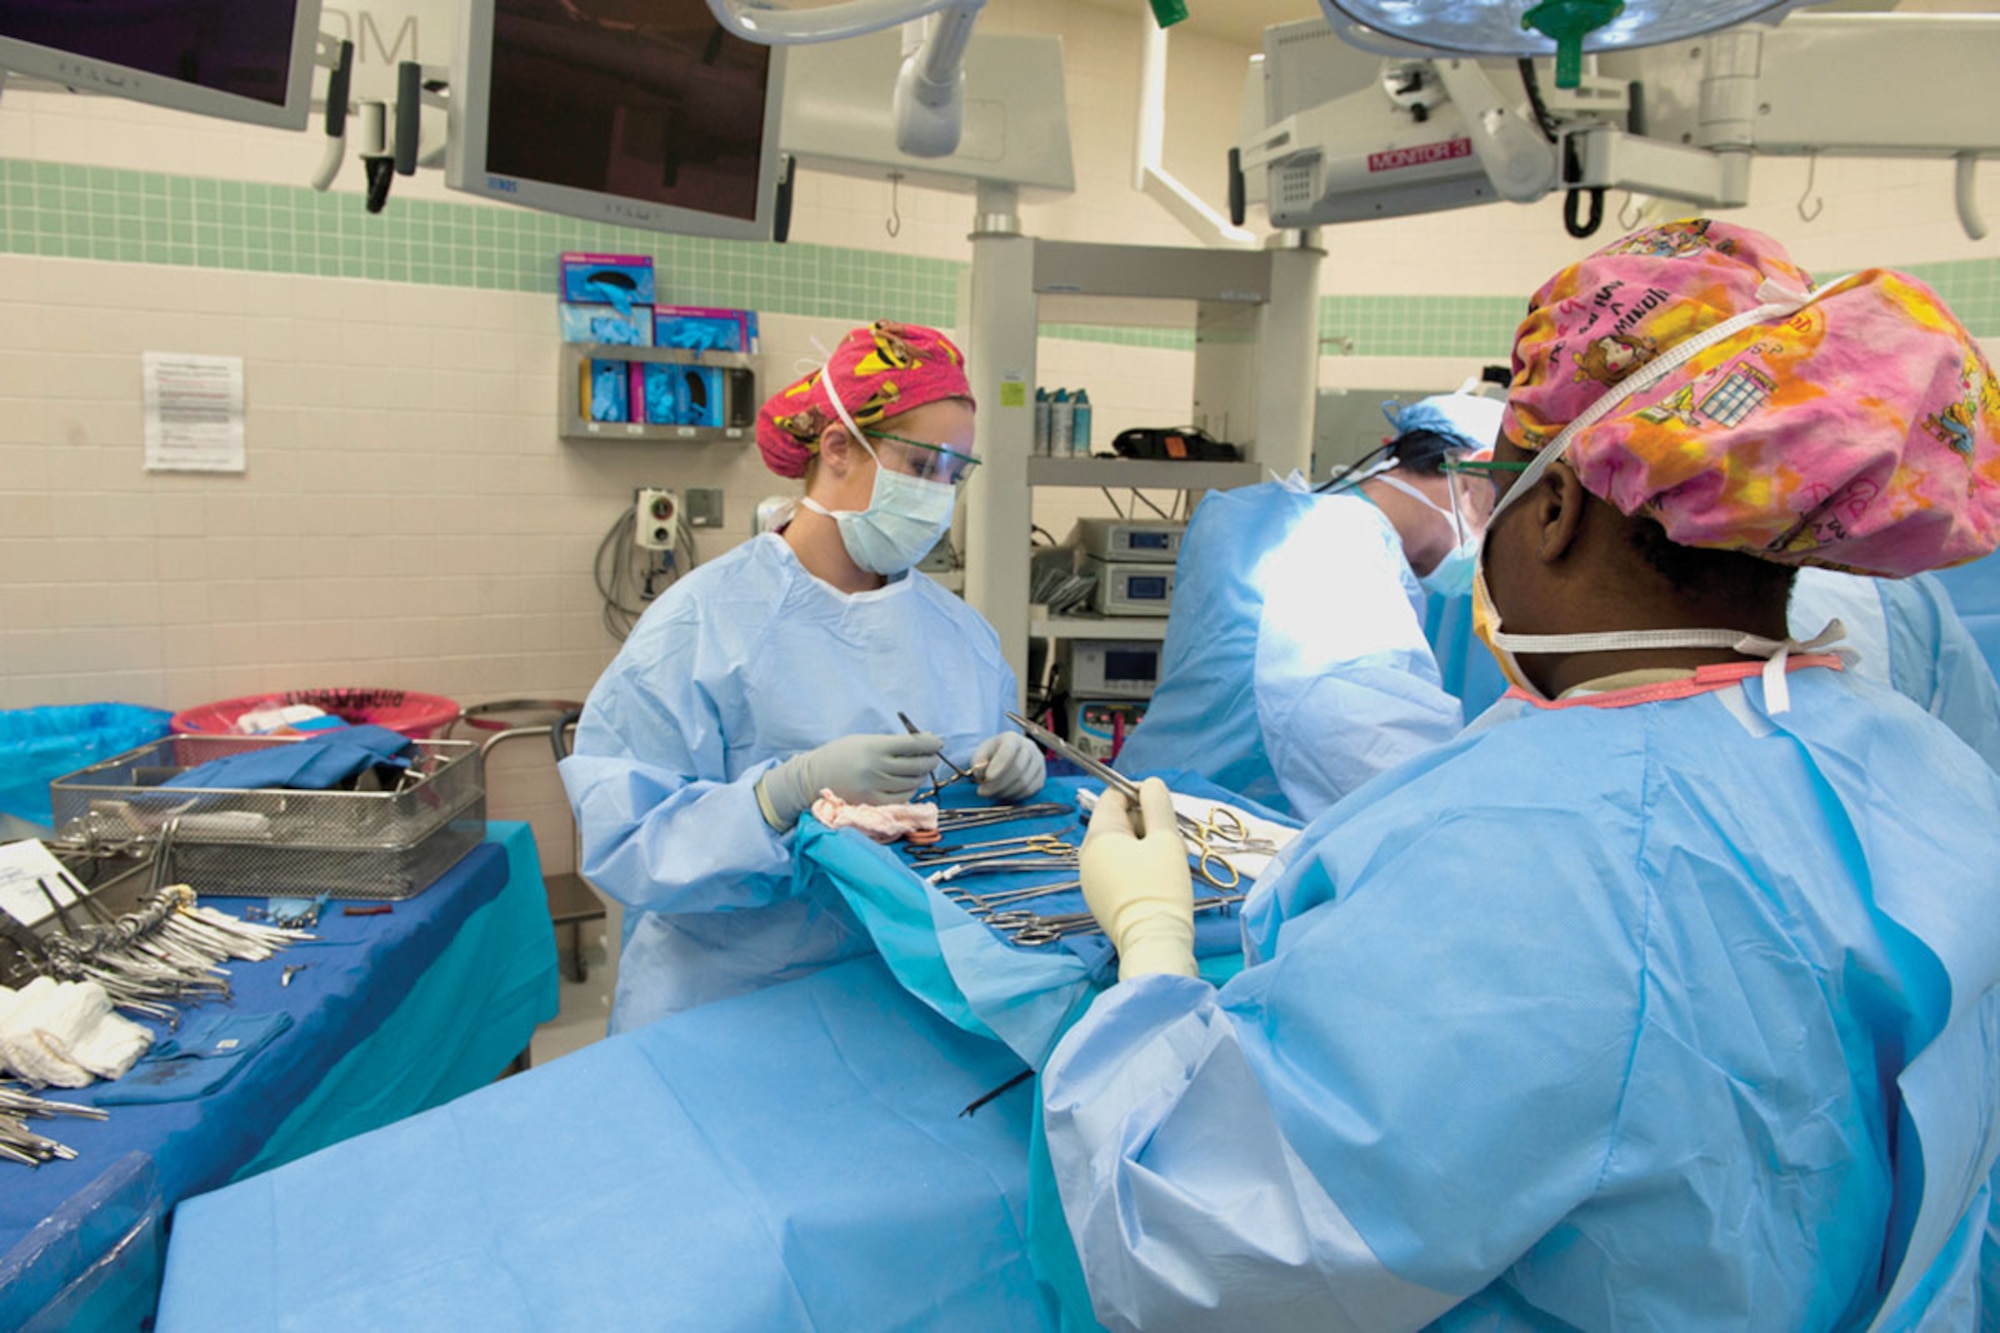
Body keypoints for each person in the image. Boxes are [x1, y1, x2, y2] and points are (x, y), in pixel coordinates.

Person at [1040, 220, 2000, 1330]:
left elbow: (1198, 1250)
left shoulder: (1522, 854)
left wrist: (1151, 951)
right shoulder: (1918, 766)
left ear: (1546, 510)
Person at [560, 321, 1045, 1033]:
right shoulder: (703, 623)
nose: (939, 494)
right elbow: (625, 838)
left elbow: (969, 838)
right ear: (839, 448)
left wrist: (1010, 779)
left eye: (954, 474)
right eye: (920, 465)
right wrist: (777, 796)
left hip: (905, 999)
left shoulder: (961, 636)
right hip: (725, 1009)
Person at [1112, 388, 1502, 819]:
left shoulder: (1279, 515)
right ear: (1475, 478)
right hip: (1211, 838)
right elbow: (1383, 772)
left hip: (1167, 807)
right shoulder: (1335, 550)